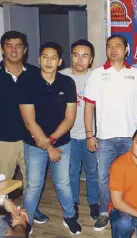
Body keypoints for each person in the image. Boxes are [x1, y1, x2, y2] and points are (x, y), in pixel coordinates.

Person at [84, 35, 137, 231]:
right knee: (103, 177)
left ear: (126, 49)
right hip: (104, 138)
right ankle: (105, 211)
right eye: (109, 46)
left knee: (130, 177)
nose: (113, 49)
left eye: (118, 46)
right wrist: (90, 134)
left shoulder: (136, 74)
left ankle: (129, 210)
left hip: (131, 138)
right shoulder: (96, 74)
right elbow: (88, 107)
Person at [19, 42, 82, 234]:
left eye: (53, 57)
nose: (49, 61)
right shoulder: (27, 81)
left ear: (60, 61)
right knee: (34, 185)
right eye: (45, 57)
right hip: (34, 143)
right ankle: (25, 221)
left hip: (61, 142)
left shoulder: (67, 82)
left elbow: (69, 118)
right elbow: (29, 121)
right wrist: (48, 147)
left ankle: (69, 216)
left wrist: (52, 141)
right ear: (39, 59)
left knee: (63, 183)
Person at [0, 30, 48, 225]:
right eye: (9, 45)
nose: (14, 49)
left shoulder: (35, 73)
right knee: (3, 181)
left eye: (18, 45)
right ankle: (5, 214)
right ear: (3, 48)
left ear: (25, 50)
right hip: (4, 138)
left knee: (33, 179)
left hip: (31, 138)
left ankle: (31, 209)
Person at [60, 39, 100, 220]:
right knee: (72, 172)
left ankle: (93, 203)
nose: (80, 60)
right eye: (76, 55)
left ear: (91, 59)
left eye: (85, 56)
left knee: (92, 172)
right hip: (68, 136)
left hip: (90, 134)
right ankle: (73, 202)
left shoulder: (97, 77)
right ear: (71, 56)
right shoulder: (61, 76)